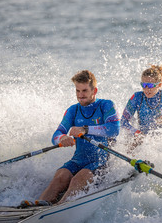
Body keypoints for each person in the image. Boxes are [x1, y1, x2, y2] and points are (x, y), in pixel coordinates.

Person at [21, 70, 120, 207]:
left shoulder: (106, 105)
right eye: (77, 91)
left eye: (84, 91)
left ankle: (58, 208)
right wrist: (62, 138)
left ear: (94, 90)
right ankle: (35, 209)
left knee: (78, 179)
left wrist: (85, 129)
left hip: (101, 161)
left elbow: (114, 130)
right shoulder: (73, 110)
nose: (80, 95)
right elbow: (55, 135)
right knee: (60, 176)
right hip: (78, 160)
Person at [121, 65, 162, 147]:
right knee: (132, 142)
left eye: (150, 86)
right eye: (144, 85)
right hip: (143, 137)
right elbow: (123, 122)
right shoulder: (137, 97)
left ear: (159, 85)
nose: (146, 89)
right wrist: (136, 132)